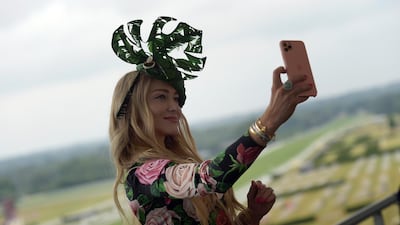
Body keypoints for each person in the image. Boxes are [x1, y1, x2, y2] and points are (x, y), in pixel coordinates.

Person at [109, 17, 312, 225]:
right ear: (135, 110)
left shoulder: (174, 166)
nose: (174, 107)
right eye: (161, 96)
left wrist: (252, 215)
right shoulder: (143, 176)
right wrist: (269, 121)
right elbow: (213, 176)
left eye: (176, 99)